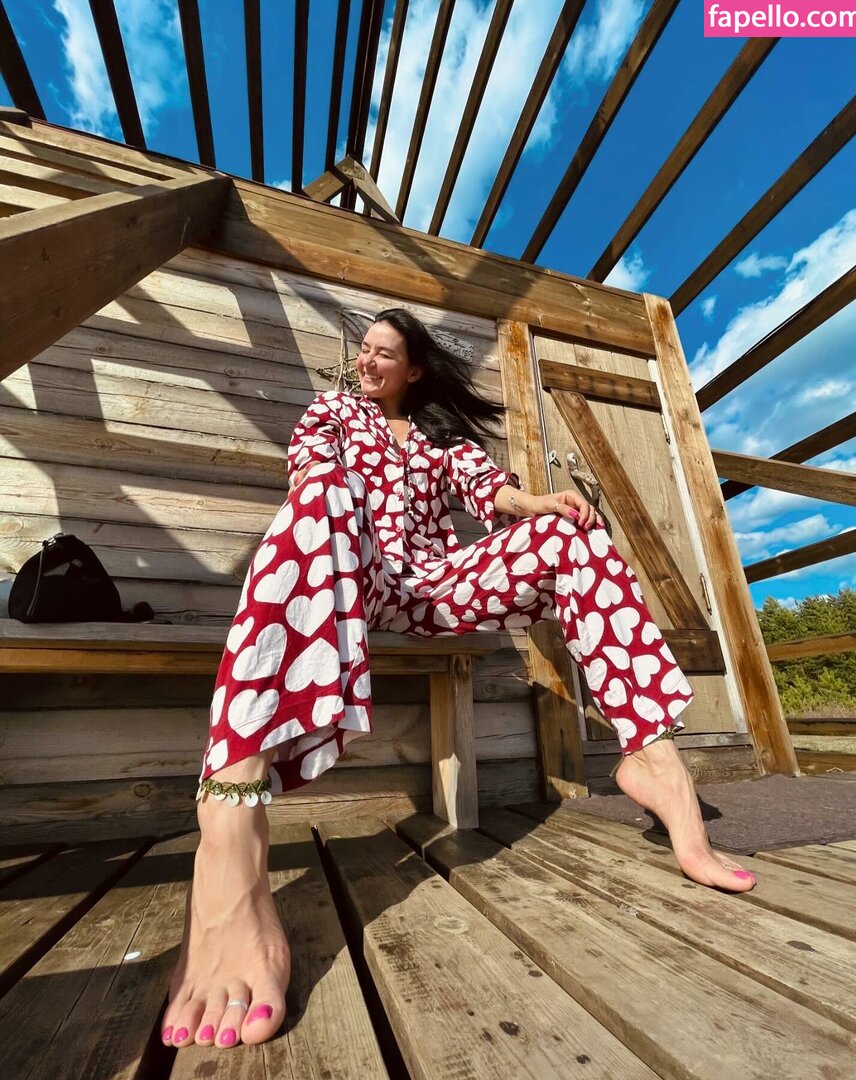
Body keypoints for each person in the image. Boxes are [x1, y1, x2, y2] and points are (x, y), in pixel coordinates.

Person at [161, 308, 757, 1052]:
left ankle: (654, 759)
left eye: (384, 353)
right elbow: (309, 479)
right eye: (364, 351)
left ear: (414, 370)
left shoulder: (439, 440)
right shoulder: (332, 414)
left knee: (570, 536)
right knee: (319, 496)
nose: (367, 362)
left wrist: (534, 503)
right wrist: (339, 504)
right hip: (356, 570)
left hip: (436, 584)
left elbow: (489, 491)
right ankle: (228, 827)